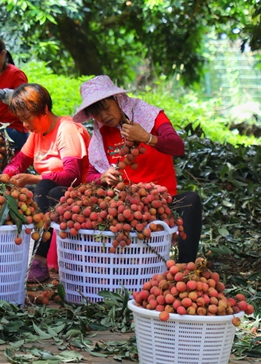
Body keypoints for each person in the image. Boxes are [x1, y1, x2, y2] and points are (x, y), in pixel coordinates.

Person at [72, 75, 202, 263]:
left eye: (106, 108)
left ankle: (184, 268)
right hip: (122, 204)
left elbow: (177, 146)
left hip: (160, 201)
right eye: (97, 113)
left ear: (117, 100)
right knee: (65, 195)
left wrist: (147, 137)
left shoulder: (151, 116)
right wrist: (103, 177)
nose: (103, 116)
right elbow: (90, 175)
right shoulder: (101, 133)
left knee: (191, 201)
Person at [2, 83, 90, 282]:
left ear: (43, 110)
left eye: (27, 118)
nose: (24, 125)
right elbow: (19, 162)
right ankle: (17, 255)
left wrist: (34, 178)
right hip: (51, 192)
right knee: (26, 193)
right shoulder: (36, 134)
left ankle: (39, 260)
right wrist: (5, 176)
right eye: (21, 120)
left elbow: (72, 175)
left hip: (78, 193)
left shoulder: (66, 129)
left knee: (42, 188)